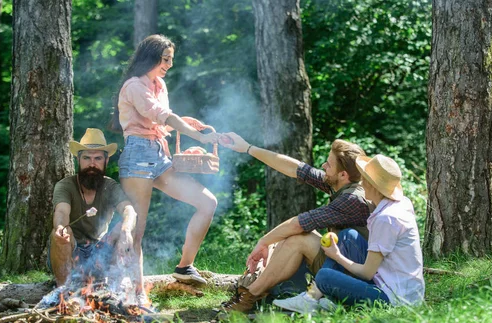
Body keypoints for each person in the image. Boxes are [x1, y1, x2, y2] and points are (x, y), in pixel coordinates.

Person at [109, 34, 219, 292]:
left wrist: (188, 124)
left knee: (207, 202)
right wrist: (199, 136)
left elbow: (163, 120)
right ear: (151, 57)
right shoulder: (134, 85)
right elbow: (162, 115)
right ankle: (135, 295)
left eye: (171, 60)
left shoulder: (159, 85)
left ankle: (184, 267)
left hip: (159, 154)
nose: (169, 64)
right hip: (137, 155)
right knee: (135, 231)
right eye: (165, 59)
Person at [218, 132, 372, 312]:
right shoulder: (341, 183)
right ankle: (260, 292)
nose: (323, 166)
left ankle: (249, 296)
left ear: (343, 174)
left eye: (328, 165)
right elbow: (297, 169)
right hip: (343, 261)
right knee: (288, 237)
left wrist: (263, 242)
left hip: (357, 274)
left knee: (299, 238)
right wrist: (248, 148)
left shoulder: (352, 199)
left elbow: (300, 223)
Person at [273, 154, 425, 313]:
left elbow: (367, 273)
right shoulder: (399, 204)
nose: (361, 183)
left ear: (373, 186)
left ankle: (313, 298)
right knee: (348, 236)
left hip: (394, 299)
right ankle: (314, 298)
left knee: (325, 276)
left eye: (365, 179)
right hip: (398, 286)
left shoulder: (386, 219)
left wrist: (337, 255)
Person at [49, 128, 137, 288]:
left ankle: (116, 289)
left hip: (101, 253)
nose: (92, 164)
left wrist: (126, 230)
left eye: (97, 158)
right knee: (61, 233)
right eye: (87, 158)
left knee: (127, 226)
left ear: (106, 160)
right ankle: (64, 292)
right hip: (72, 251)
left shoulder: (110, 186)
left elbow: (129, 209)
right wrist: (60, 227)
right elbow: (61, 211)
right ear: (78, 159)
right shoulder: (65, 186)